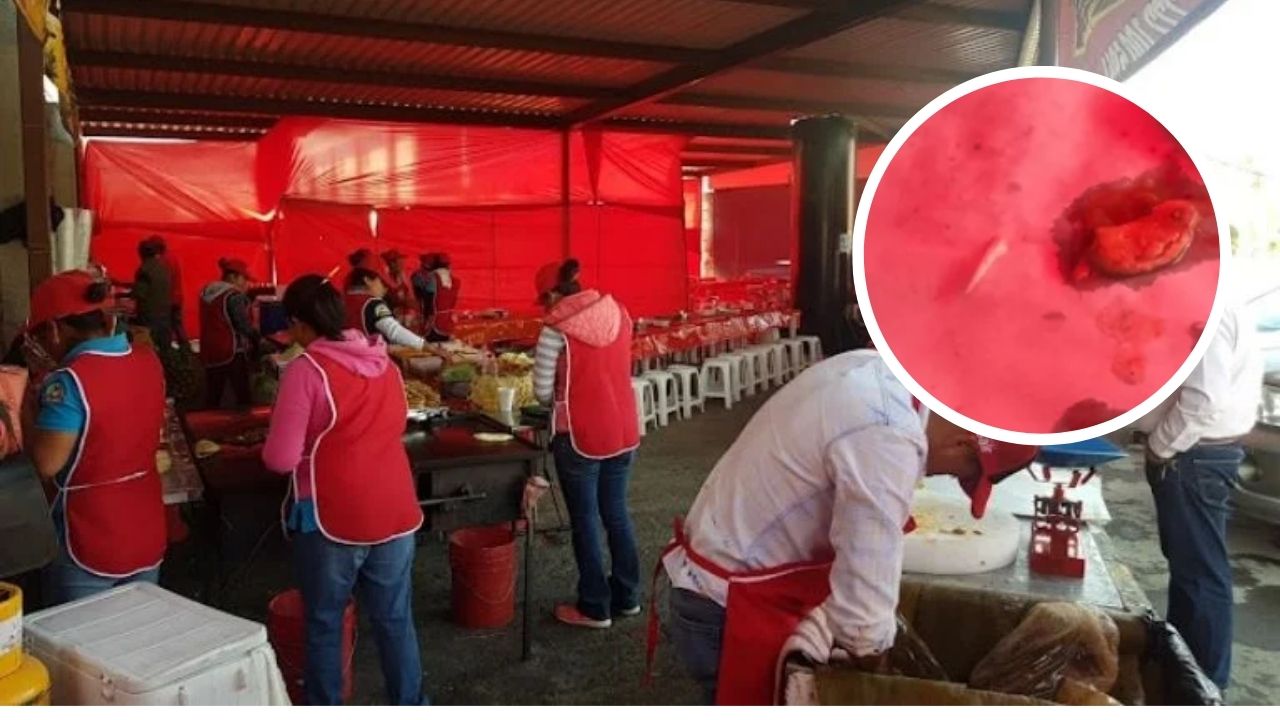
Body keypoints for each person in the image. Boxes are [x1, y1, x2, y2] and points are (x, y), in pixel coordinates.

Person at [659, 350, 1037, 704]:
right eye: (962, 475)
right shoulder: (887, 433)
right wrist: (885, 686)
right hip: (728, 604)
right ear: (962, 444)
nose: (939, 475)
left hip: (721, 574)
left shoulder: (883, 372)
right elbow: (864, 614)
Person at [262, 274, 425, 705]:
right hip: (395, 509)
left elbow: (279, 458)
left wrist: (304, 446)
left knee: (325, 623)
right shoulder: (385, 363)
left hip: (334, 515)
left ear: (298, 323)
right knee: (394, 618)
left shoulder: (306, 370)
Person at [1134, 301, 1262, 691]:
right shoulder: (1218, 302)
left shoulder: (1211, 308)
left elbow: (1203, 400)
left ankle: (1201, 687)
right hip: (1199, 455)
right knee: (1193, 569)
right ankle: (1184, 671)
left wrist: (1160, 447)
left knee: (1200, 575)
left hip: (1195, 456)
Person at [22, 270, 167, 604]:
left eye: (41, 337)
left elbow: (47, 462)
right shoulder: (148, 361)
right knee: (137, 633)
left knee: (81, 648)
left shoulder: (69, 381)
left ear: (55, 330)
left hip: (92, 533)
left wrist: (28, 409)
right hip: (145, 522)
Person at [532, 259, 641, 629]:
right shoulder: (620, 312)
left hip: (580, 435)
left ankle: (595, 606)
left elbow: (542, 392)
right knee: (616, 513)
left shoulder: (554, 331)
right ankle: (627, 597)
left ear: (551, 295)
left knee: (585, 520)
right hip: (624, 428)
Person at [200, 258, 261, 409]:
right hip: (231, 350)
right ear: (233, 277)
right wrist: (258, 337)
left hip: (209, 349)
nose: (246, 284)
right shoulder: (233, 295)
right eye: (244, 279)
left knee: (213, 393)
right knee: (242, 394)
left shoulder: (207, 291)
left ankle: (208, 426)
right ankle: (246, 427)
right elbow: (243, 325)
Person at [345, 267, 427, 350]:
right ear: (367, 280)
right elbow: (394, 331)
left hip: (344, 355)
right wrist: (424, 345)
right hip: (367, 355)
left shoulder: (342, 300)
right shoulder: (373, 303)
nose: (385, 289)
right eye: (381, 282)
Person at [132, 236, 173, 357]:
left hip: (149, 317)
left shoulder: (144, 269)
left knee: (148, 352)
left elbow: (140, 293)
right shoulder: (163, 267)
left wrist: (130, 293)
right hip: (165, 314)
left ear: (141, 253)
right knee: (164, 351)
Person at [155, 239, 189, 350]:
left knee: (166, 328)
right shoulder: (172, 257)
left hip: (168, 299)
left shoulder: (162, 261)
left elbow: (162, 282)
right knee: (178, 326)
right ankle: (186, 351)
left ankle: (168, 352)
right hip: (177, 298)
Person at [421, 253, 460, 342]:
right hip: (448, 323)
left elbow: (427, 303)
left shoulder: (430, 279)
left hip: (433, 323)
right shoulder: (456, 281)